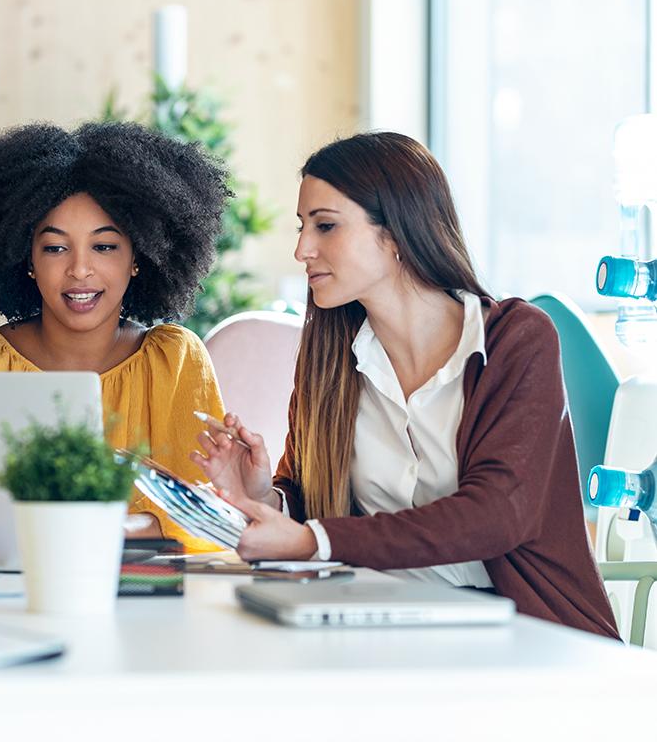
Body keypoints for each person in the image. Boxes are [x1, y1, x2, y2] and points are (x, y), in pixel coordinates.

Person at [193, 131, 619, 637]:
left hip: (528, 635)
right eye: (303, 227)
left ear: (396, 232)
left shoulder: (516, 340)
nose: (302, 249)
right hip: (379, 625)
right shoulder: (329, 360)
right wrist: (267, 497)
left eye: (325, 226)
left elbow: (498, 514)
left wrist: (313, 541)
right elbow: (319, 510)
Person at [0, 121, 230, 552]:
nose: (79, 270)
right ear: (26, 258)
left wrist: (87, 533)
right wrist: (129, 527)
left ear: (138, 258)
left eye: (104, 247)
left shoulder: (174, 361)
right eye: (55, 247)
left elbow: (206, 523)